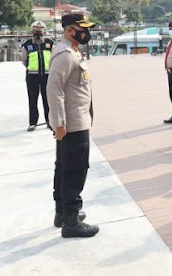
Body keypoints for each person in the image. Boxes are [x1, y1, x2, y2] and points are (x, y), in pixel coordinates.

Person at [47, 12, 99, 238]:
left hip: (74, 120)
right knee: (75, 171)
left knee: (64, 168)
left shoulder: (73, 51)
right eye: (82, 28)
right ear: (70, 30)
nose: (86, 32)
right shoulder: (65, 55)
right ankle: (71, 221)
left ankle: (62, 213)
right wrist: (59, 123)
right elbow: (54, 90)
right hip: (71, 124)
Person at [21, 21, 54, 131]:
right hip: (32, 77)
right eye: (36, 31)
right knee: (33, 100)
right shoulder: (27, 45)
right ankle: (32, 122)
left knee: (47, 99)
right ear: (32, 31)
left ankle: (50, 121)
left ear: (44, 31)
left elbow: (54, 58)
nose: (38, 33)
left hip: (47, 76)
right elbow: (24, 60)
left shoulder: (50, 43)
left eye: (40, 31)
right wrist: (32, 68)